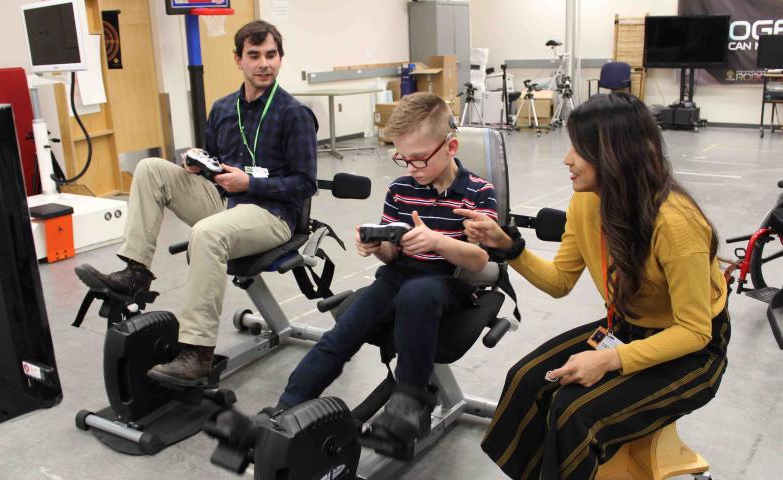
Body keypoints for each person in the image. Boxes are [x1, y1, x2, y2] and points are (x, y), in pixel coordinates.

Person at [455, 92, 730, 479]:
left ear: (616, 154)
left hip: (693, 353)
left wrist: (607, 359)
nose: (567, 159)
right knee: (525, 380)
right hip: (626, 328)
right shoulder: (586, 202)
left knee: (574, 413)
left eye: (579, 148)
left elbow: (694, 331)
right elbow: (560, 282)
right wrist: (509, 247)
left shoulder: (675, 224)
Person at [75, 20, 318, 387]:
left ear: (280, 59)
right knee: (151, 169)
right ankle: (135, 272)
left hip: (273, 214)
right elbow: (215, 166)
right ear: (239, 60)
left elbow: (305, 184)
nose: (263, 63)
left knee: (206, 234)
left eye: (271, 55)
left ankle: (197, 352)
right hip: (226, 204)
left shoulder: (293, 114)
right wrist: (197, 164)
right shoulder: (222, 109)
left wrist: (250, 182)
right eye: (254, 56)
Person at [275, 92, 498, 441]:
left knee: (418, 292)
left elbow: (480, 260)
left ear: (451, 147)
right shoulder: (400, 189)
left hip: (449, 281)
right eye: (402, 159)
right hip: (398, 276)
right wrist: (378, 246)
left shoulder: (478, 192)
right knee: (343, 333)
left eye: (419, 159)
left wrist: (438, 242)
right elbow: (393, 257)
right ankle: (287, 405)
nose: (411, 168)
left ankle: (409, 405)